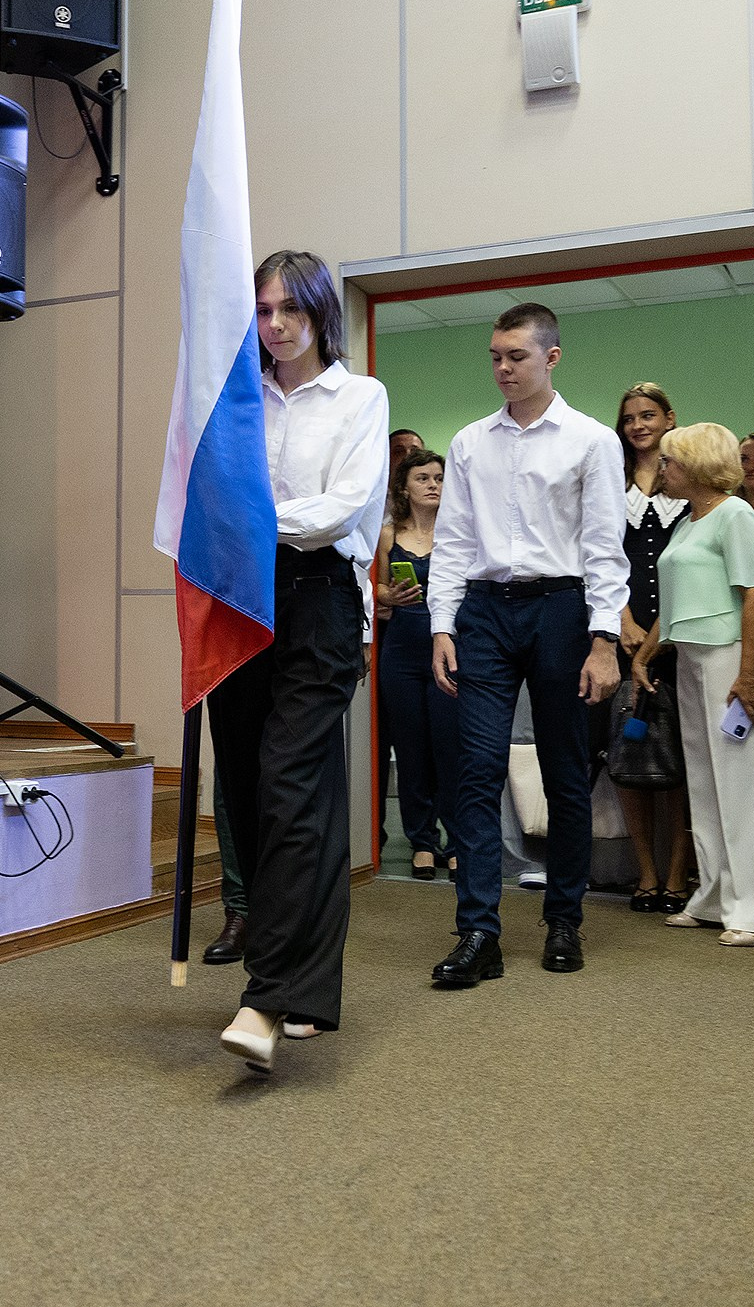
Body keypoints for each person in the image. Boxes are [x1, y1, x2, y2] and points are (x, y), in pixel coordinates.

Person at [209, 251, 389, 1072]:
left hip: (317, 601)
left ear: (320, 312)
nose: (274, 325)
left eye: (289, 309)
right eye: (262, 310)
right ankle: (305, 985)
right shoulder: (236, 398)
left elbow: (343, 507)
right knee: (253, 791)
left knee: (290, 783)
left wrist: (253, 517)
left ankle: (268, 993)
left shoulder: (359, 396)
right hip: (239, 599)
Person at [426, 302, 627, 987]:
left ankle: (563, 917)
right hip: (483, 612)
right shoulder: (467, 442)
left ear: (551, 357)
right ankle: (477, 930)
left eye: (515, 355)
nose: (502, 368)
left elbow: (605, 549)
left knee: (565, 771)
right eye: (494, 356)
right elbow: (451, 541)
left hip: (561, 611)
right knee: (475, 770)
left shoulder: (591, 440)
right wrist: (441, 625)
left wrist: (604, 642)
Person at [630, 424, 754, 945]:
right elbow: (674, 603)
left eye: (669, 462)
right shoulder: (687, 523)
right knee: (703, 783)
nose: (662, 471)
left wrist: (749, 673)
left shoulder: (735, 514)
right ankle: (716, 897)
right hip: (689, 660)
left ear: (696, 464)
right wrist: (646, 654)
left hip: (728, 659)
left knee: (746, 785)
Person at [614, 382, 693, 914]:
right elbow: (595, 555)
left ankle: (676, 874)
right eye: (629, 418)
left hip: (682, 633)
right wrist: (619, 619)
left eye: (648, 415)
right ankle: (644, 871)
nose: (638, 425)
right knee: (628, 754)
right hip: (620, 636)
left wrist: (660, 630)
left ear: (669, 419)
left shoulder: (689, 481)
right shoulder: (609, 481)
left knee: (683, 761)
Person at [376, 448, 455, 880]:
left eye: (439, 477)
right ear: (405, 488)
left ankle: (458, 841)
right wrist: (386, 596)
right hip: (401, 648)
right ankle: (422, 842)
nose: (432, 484)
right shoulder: (389, 534)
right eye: (422, 477)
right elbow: (378, 590)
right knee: (409, 751)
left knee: (452, 748)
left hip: (449, 647)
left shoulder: (461, 529)